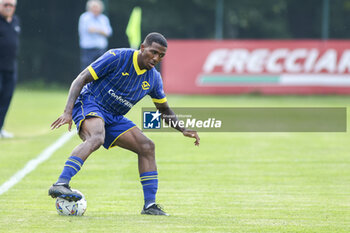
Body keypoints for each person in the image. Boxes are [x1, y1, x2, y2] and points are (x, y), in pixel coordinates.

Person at [48, 32, 200, 216]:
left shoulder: (153, 79)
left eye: (161, 55)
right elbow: (81, 78)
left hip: (114, 116)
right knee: (96, 137)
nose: (156, 58)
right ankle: (61, 183)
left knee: (147, 146)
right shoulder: (117, 57)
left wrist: (183, 129)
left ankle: (149, 205)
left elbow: (164, 110)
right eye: (153, 52)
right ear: (142, 48)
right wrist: (67, 111)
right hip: (90, 102)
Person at [0, 0, 20, 139]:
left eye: (11, 5)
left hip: (11, 67)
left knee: (6, 98)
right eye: (5, 4)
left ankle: (0, 128)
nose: (8, 7)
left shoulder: (16, 21)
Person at [78, 0, 113, 71]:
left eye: (97, 7)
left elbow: (108, 32)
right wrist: (101, 31)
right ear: (89, 8)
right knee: (87, 70)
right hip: (88, 49)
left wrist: (97, 30)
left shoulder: (104, 19)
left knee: (101, 69)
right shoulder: (85, 17)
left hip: (101, 49)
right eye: (94, 7)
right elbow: (90, 30)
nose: (96, 9)